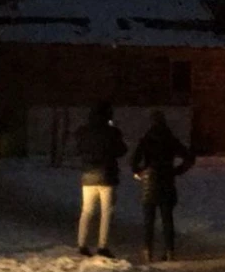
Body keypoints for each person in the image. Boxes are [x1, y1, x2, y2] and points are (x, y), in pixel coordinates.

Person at [131, 110, 194, 263]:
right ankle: (170, 251)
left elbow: (134, 161)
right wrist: (177, 171)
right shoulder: (171, 139)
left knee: (148, 220)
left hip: (149, 182)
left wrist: (139, 172)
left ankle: (148, 251)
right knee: (167, 219)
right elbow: (189, 158)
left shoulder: (146, 140)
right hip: (167, 180)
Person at [75, 101, 127, 258]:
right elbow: (122, 150)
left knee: (87, 211)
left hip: (88, 176)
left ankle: (82, 244)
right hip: (107, 176)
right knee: (106, 212)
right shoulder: (112, 132)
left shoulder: (83, 131)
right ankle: (102, 246)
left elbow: (78, 149)